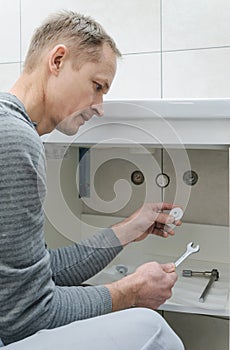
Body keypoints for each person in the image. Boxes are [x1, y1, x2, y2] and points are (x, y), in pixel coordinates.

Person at [0, 10, 184, 350]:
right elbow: (26, 318)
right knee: (150, 327)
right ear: (57, 60)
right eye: (96, 86)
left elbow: (38, 274)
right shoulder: (13, 138)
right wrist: (131, 292)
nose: (100, 106)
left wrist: (129, 228)